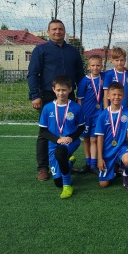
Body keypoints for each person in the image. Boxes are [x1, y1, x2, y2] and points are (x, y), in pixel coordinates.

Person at [28, 19, 85, 181]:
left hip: (69, 96)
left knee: (69, 130)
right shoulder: (40, 50)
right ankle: (43, 167)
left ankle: (64, 161)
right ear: (48, 32)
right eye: (54, 29)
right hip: (47, 96)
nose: (57, 31)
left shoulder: (73, 51)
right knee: (45, 133)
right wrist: (35, 95)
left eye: (60, 29)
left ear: (64, 31)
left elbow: (80, 76)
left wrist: (80, 97)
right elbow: (33, 74)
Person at [38, 75, 85, 199]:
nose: (61, 93)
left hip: (70, 141)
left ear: (70, 89)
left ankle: (68, 185)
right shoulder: (47, 108)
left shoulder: (76, 107)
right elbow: (43, 132)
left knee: (60, 153)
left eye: (64, 90)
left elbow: (81, 127)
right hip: (54, 143)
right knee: (58, 182)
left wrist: (71, 138)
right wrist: (57, 139)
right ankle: (69, 162)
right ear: (53, 90)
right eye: (58, 90)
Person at [95, 82, 128, 189]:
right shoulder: (102, 115)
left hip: (122, 147)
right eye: (114, 94)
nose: (116, 97)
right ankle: (115, 168)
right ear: (108, 96)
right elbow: (100, 138)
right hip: (107, 150)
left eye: (119, 94)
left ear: (123, 96)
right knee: (103, 185)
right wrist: (99, 158)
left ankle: (126, 174)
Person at [75, 54, 104, 175]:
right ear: (88, 66)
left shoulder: (104, 77)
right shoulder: (84, 81)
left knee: (94, 139)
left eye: (98, 65)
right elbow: (79, 99)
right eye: (93, 65)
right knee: (86, 139)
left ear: (101, 66)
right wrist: (81, 114)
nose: (95, 68)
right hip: (86, 115)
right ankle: (87, 163)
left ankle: (93, 164)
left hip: (98, 114)